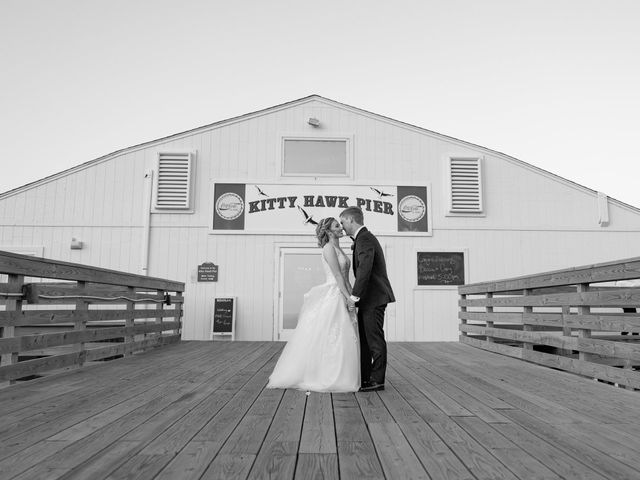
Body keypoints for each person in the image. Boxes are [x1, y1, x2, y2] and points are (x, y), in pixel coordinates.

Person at [267, 217, 360, 392]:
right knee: (333, 334)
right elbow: (338, 276)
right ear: (328, 231)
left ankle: (344, 373)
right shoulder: (328, 248)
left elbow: (346, 277)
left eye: (340, 225)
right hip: (335, 293)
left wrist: (353, 294)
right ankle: (327, 375)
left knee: (344, 334)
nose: (341, 228)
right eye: (336, 226)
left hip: (344, 290)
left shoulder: (339, 247)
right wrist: (348, 297)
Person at [340, 206, 395, 392]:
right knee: (365, 340)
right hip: (369, 299)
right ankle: (365, 378)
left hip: (374, 298)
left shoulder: (365, 239)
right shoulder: (364, 238)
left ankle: (377, 380)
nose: (342, 227)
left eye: (343, 222)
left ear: (351, 220)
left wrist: (354, 297)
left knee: (374, 341)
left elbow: (365, 269)